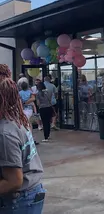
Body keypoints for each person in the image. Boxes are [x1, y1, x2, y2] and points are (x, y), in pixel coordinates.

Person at [0, 64, 45, 213]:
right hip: (31, 193)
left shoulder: (5, 133)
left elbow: (14, 181)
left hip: (19, 201)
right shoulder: (18, 119)